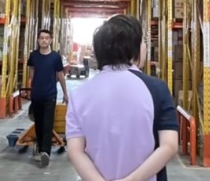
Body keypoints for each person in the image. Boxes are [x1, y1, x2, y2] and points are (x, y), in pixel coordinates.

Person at [66, 15, 179, 181]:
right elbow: (169, 145)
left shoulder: (79, 94)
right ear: (133, 47)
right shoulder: (157, 89)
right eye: (142, 42)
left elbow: (75, 150)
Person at [26, 29, 69, 168]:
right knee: (39, 123)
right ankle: (40, 148)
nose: (44, 40)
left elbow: (60, 75)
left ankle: (46, 152)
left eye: (46, 38)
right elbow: (31, 70)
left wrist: (65, 93)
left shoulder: (55, 57)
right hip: (36, 95)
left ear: (50, 40)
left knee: (48, 123)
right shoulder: (33, 56)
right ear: (38, 40)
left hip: (50, 95)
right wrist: (33, 85)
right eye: (41, 38)